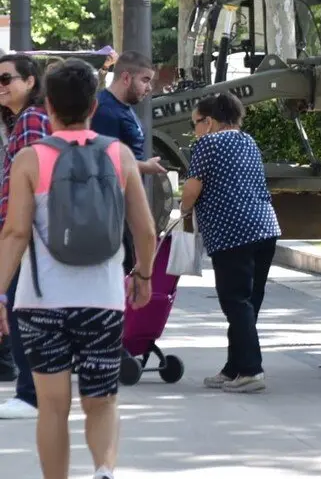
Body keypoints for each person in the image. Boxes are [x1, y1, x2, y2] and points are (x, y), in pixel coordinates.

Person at [0, 58, 157, 479]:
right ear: (93, 106)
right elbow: (146, 231)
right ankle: (104, 470)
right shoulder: (119, 155)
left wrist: (0, 293)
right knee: (101, 399)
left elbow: (15, 234)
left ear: (47, 105)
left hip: (41, 303)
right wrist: (143, 277)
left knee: (52, 406)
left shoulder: (30, 160)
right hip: (102, 300)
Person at [179, 93, 281, 394]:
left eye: (196, 123)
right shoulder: (248, 142)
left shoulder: (208, 144)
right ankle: (234, 368)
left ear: (209, 122)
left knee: (235, 301)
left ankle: (250, 370)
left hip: (233, 232)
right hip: (265, 227)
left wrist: (184, 211)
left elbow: (192, 188)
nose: (195, 130)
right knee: (249, 303)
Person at [0, 54, 50, 420]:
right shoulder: (18, 120)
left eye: (6, 79)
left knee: (18, 308)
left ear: (31, 81)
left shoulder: (32, 118)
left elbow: (31, 181)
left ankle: (29, 394)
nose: (1, 86)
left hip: (25, 231)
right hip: (23, 230)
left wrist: (18, 232)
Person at [90, 51, 166, 276]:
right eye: (145, 80)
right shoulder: (105, 110)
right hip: (112, 207)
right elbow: (104, 159)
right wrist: (144, 166)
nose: (149, 87)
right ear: (125, 77)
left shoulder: (122, 107)